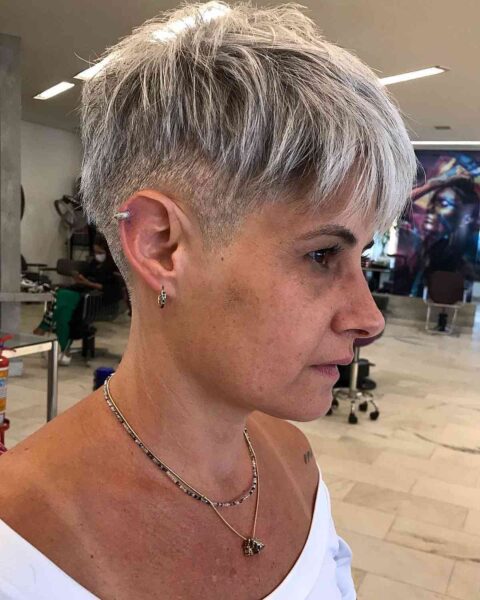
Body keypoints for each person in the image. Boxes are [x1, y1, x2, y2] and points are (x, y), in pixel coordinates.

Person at [0, 2, 416, 598]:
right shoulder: (18, 554)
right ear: (161, 246)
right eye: (322, 255)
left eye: (362, 258)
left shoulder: (294, 460)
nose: (369, 319)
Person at [33, 235, 124, 365]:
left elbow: (112, 289)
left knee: (62, 299)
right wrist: (80, 278)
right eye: (95, 252)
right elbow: (87, 277)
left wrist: (88, 283)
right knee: (60, 301)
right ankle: (62, 346)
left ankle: (46, 328)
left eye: (100, 252)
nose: (97, 255)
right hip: (83, 292)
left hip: (96, 299)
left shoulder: (115, 267)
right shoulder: (94, 264)